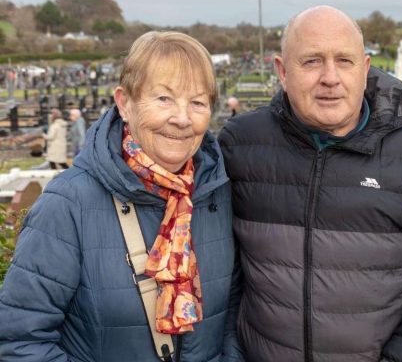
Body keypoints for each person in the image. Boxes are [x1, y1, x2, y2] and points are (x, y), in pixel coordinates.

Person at [218, 5, 402, 362]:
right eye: (312, 61)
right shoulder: (240, 146)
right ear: (282, 71)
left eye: (344, 61)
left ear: (365, 68)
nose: (330, 78)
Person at [0, 31, 243, 361]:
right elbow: (20, 340)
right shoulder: (68, 203)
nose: (182, 118)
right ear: (124, 103)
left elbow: (233, 313)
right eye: (164, 98)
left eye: (197, 102)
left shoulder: (218, 194)